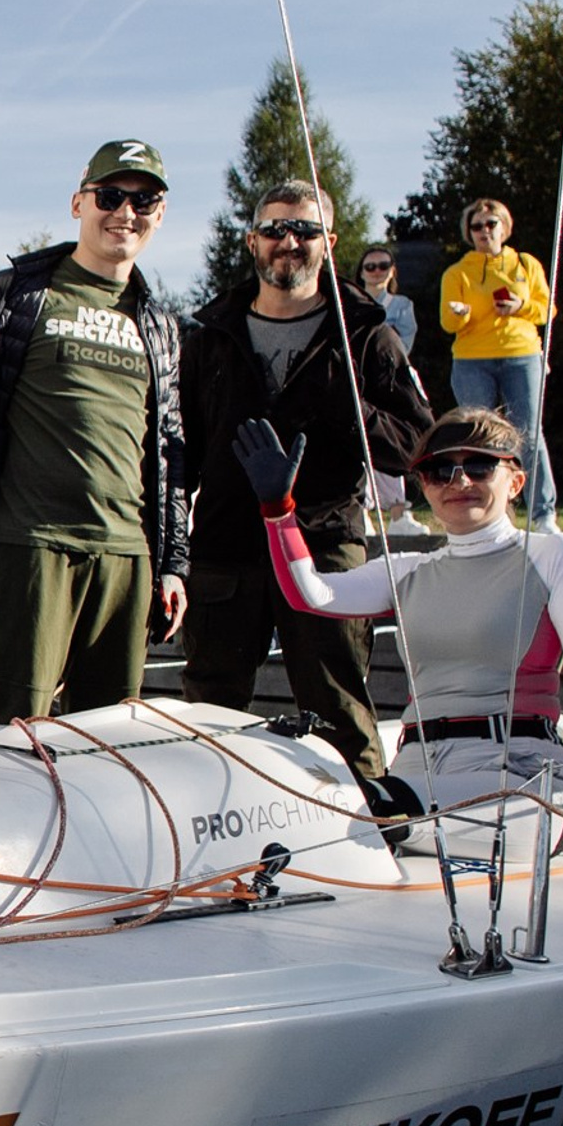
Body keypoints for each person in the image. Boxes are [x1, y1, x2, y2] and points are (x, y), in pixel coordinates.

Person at [232, 405, 563, 825]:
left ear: (516, 482)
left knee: (368, 810)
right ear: (424, 487)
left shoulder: (553, 555)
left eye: (479, 465)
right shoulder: (407, 571)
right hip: (413, 777)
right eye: (440, 471)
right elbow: (313, 593)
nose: (459, 480)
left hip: (520, 781)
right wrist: (278, 510)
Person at [0, 139, 188, 722]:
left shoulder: (159, 321)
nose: (125, 213)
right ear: (78, 203)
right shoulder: (20, 292)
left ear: (160, 215)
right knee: (9, 729)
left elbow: (169, 448)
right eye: (110, 195)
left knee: (109, 739)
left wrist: (173, 563)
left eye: (144, 201)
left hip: (126, 555)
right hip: (31, 544)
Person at [180, 178, 431, 781]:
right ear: (252, 242)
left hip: (322, 546)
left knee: (338, 706)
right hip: (224, 547)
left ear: (330, 243)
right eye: (274, 230)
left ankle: (370, 834)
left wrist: (352, 408)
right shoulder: (210, 333)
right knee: (208, 715)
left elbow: (418, 450)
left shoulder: (366, 334)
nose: (288, 242)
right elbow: (175, 445)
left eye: (305, 230)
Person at [439, 199, 556, 526]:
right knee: (478, 438)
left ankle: (543, 514)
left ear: (504, 226)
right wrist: (461, 314)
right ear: (469, 233)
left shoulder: (525, 264)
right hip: (472, 360)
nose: (484, 231)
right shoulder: (457, 272)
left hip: (522, 354)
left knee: (530, 434)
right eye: (476, 226)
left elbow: (547, 311)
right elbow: (447, 322)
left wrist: (520, 305)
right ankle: (489, 514)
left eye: (490, 224)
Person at [354, 241, 416, 352]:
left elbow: (404, 346)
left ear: (392, 271)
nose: (377, 271)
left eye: (383, 266)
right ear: (361, 273)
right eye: (370, 267)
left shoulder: (403, 305)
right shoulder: (349, 304)